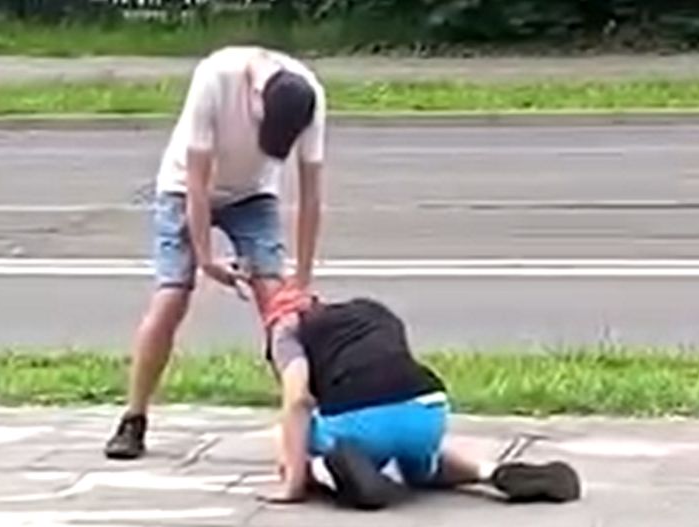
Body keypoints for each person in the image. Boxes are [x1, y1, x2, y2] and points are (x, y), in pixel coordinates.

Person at [104, 46, 326, 460]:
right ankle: (133, 418)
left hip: (254, 194)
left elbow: (311, 195)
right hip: (183, 188)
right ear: (256, 98)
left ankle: (306, 420)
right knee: (172, 295)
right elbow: (196, 180)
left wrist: (302, 278)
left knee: (278, 305)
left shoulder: (309, 95)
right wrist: (206, 259)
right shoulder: (215, 77)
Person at [254, 285, 582, 509]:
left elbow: (297, 400)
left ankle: (332, 472)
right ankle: (492, 473)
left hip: (361, 420)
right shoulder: (370, 311)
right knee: (420, 468)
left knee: (292, 433)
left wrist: (292, 484)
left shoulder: (285, 330)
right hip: (426, 408)